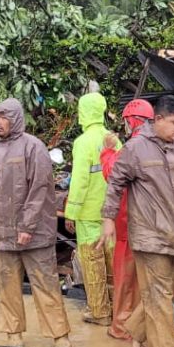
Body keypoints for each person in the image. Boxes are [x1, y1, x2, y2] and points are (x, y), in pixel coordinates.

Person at [99, 95, 174, 347]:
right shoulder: (135, 148)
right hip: (150, 234)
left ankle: (136, 329)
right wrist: (108, 219)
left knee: (172, 289)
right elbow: (115, 183)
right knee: (159, 294)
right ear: (158, 119)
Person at [0, 98, 73, 347]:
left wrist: (26, 227)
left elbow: (40, 190)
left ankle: (59, 335)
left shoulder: (33, 147)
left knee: (45, 283)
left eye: (2, 117)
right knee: (7, 285)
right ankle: (13, 332)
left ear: (14, 118)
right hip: (4, 233)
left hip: (34, 234)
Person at [100, 99, 153, 340]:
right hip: (152, 224)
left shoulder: (132, 147)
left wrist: (107, 151)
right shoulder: (162, 145)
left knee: (125, 279)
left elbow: (114, 174)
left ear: (131, 121)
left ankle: (122, 326)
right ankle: (145, 326)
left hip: (128, 224)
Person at [65, 92, 117, 326]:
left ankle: (99, 312)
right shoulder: (113, 140)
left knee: (92, 262)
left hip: (88, 214)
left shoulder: (82, 142)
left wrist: (71, 213)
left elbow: (79, 181)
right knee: (112, 263)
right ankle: (117, 310)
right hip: (111, 215)